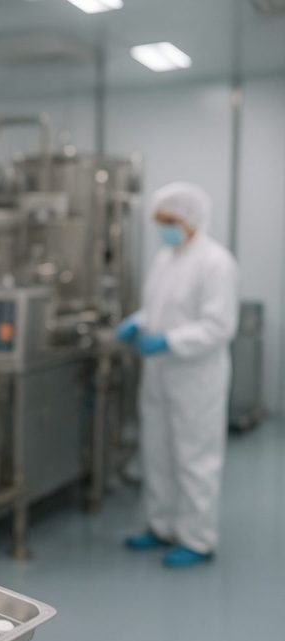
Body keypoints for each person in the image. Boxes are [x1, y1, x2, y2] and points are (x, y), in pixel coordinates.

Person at [116, 181, 238, 569]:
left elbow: (219, 326)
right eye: (160, 221)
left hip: (196, 376)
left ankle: (198, 538)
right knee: (158, 451)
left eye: (170, 220)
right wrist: (138, 323)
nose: (164, 228)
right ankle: (162, 525)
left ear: (191, 219)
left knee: (194, 457)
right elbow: (158, 308)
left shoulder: (216, 263)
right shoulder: (166, 258)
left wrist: (169, 340)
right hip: (159, 374)